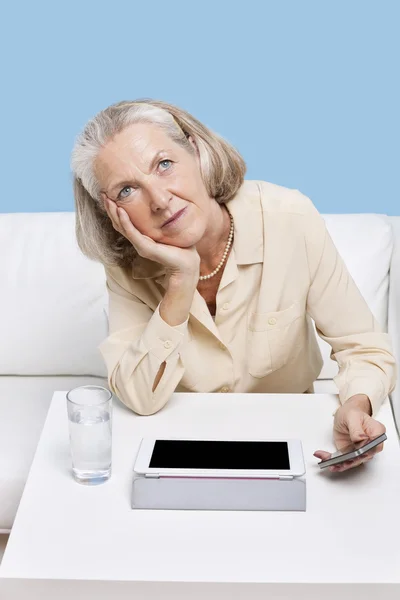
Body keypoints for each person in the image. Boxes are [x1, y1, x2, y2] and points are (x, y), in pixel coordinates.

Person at [71, 99, 397, 473]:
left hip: (287, 441)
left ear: (195, 151)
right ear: (109, 210)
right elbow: (139, 398)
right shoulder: (127, 267)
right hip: (184, 447)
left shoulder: (288, 219)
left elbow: (364, 346)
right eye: (127, 190)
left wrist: (356, 405)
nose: (160, 201)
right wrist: (180, 281)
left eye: (164, 164)